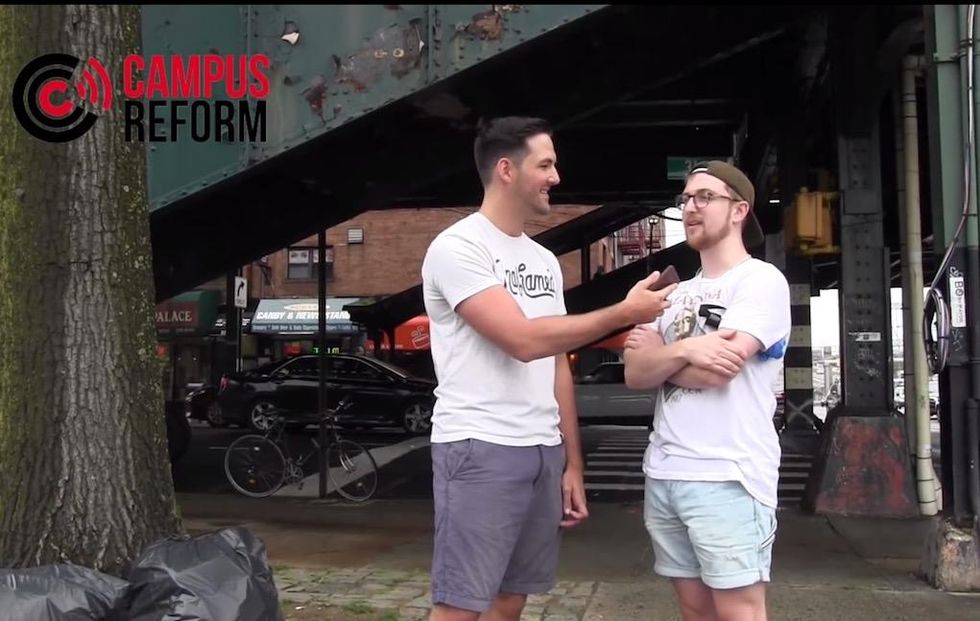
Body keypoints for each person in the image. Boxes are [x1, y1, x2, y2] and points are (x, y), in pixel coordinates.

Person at [420, 116, 677, 621]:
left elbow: (557, 362)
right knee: (460, 606)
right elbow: (522, 341)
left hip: (542, 450)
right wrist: (624, 313)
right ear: (506, 170)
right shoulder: (458, 248)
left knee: (511, 599)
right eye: (545, 165)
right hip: (479, 445)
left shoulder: (543, 261)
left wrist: (571, 464)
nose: (556, 177)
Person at [623, 161, 790, 621]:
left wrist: (663, 356)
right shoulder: (671, 294)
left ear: (739, 210)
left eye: (704, 197)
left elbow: (721, 370)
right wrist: (690, 349)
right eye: (685, 199)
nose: (690, 208)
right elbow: (634, 373)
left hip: (729, 476)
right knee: (694, 610)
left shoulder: (759, 281)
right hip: (665, 473)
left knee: (739, 612)